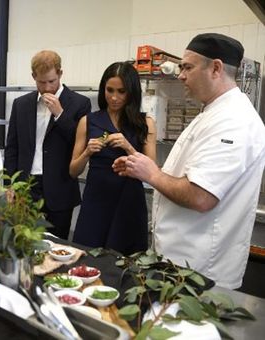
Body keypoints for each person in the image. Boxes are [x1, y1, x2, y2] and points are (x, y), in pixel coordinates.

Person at [113, 33, 265, 289]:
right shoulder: (212, 112)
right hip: (181, 262)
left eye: (188, 67)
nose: (181, 75)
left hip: (200, 271)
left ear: (216, 68)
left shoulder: (233, 121)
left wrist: (152, 174)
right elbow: (188, 173)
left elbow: (200, 196)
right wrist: (142, 168)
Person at [70, 61, 156, 255]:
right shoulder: (88, 121)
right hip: (96, 200)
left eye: (121, 91)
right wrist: (87, 153)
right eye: (109, 90)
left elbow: (152, 172)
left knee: (127, 262)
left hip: (129, 201)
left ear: (131, 92)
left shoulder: (146, 123)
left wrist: (129, 147)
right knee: (88, 257)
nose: (114, 97)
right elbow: (73, 171)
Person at [4, 50, 91, 239]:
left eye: (51, 81)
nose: (47, 87)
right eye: (41, 82)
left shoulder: (79, 103)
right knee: (23, 242)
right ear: (33, 77)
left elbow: (79, 143)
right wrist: (8, 184)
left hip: (60, 185)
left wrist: (60, 114)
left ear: (60, 73)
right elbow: (12, 148)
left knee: (57, 245)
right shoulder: (21, 104)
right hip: (26, 185)